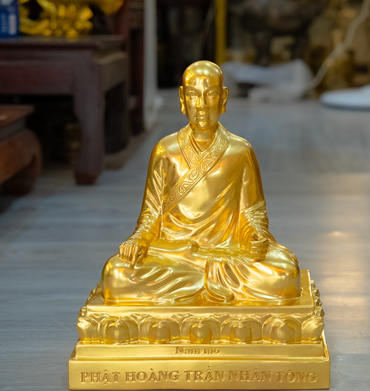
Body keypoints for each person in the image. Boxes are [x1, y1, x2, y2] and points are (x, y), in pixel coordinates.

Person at [102, 60, 300, 305]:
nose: (202, 104)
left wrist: (256, 238)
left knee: (284, 273)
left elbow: (252, 212)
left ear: (223, 98)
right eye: (194, 95)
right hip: (176, 253)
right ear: (182, 98)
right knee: (115, 274)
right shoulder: (166, 150)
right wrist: (138, 240)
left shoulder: (240, 151)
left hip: (226, 253)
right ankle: (207, 282)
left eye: (211, 95)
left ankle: (195, 283)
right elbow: (152, 214)